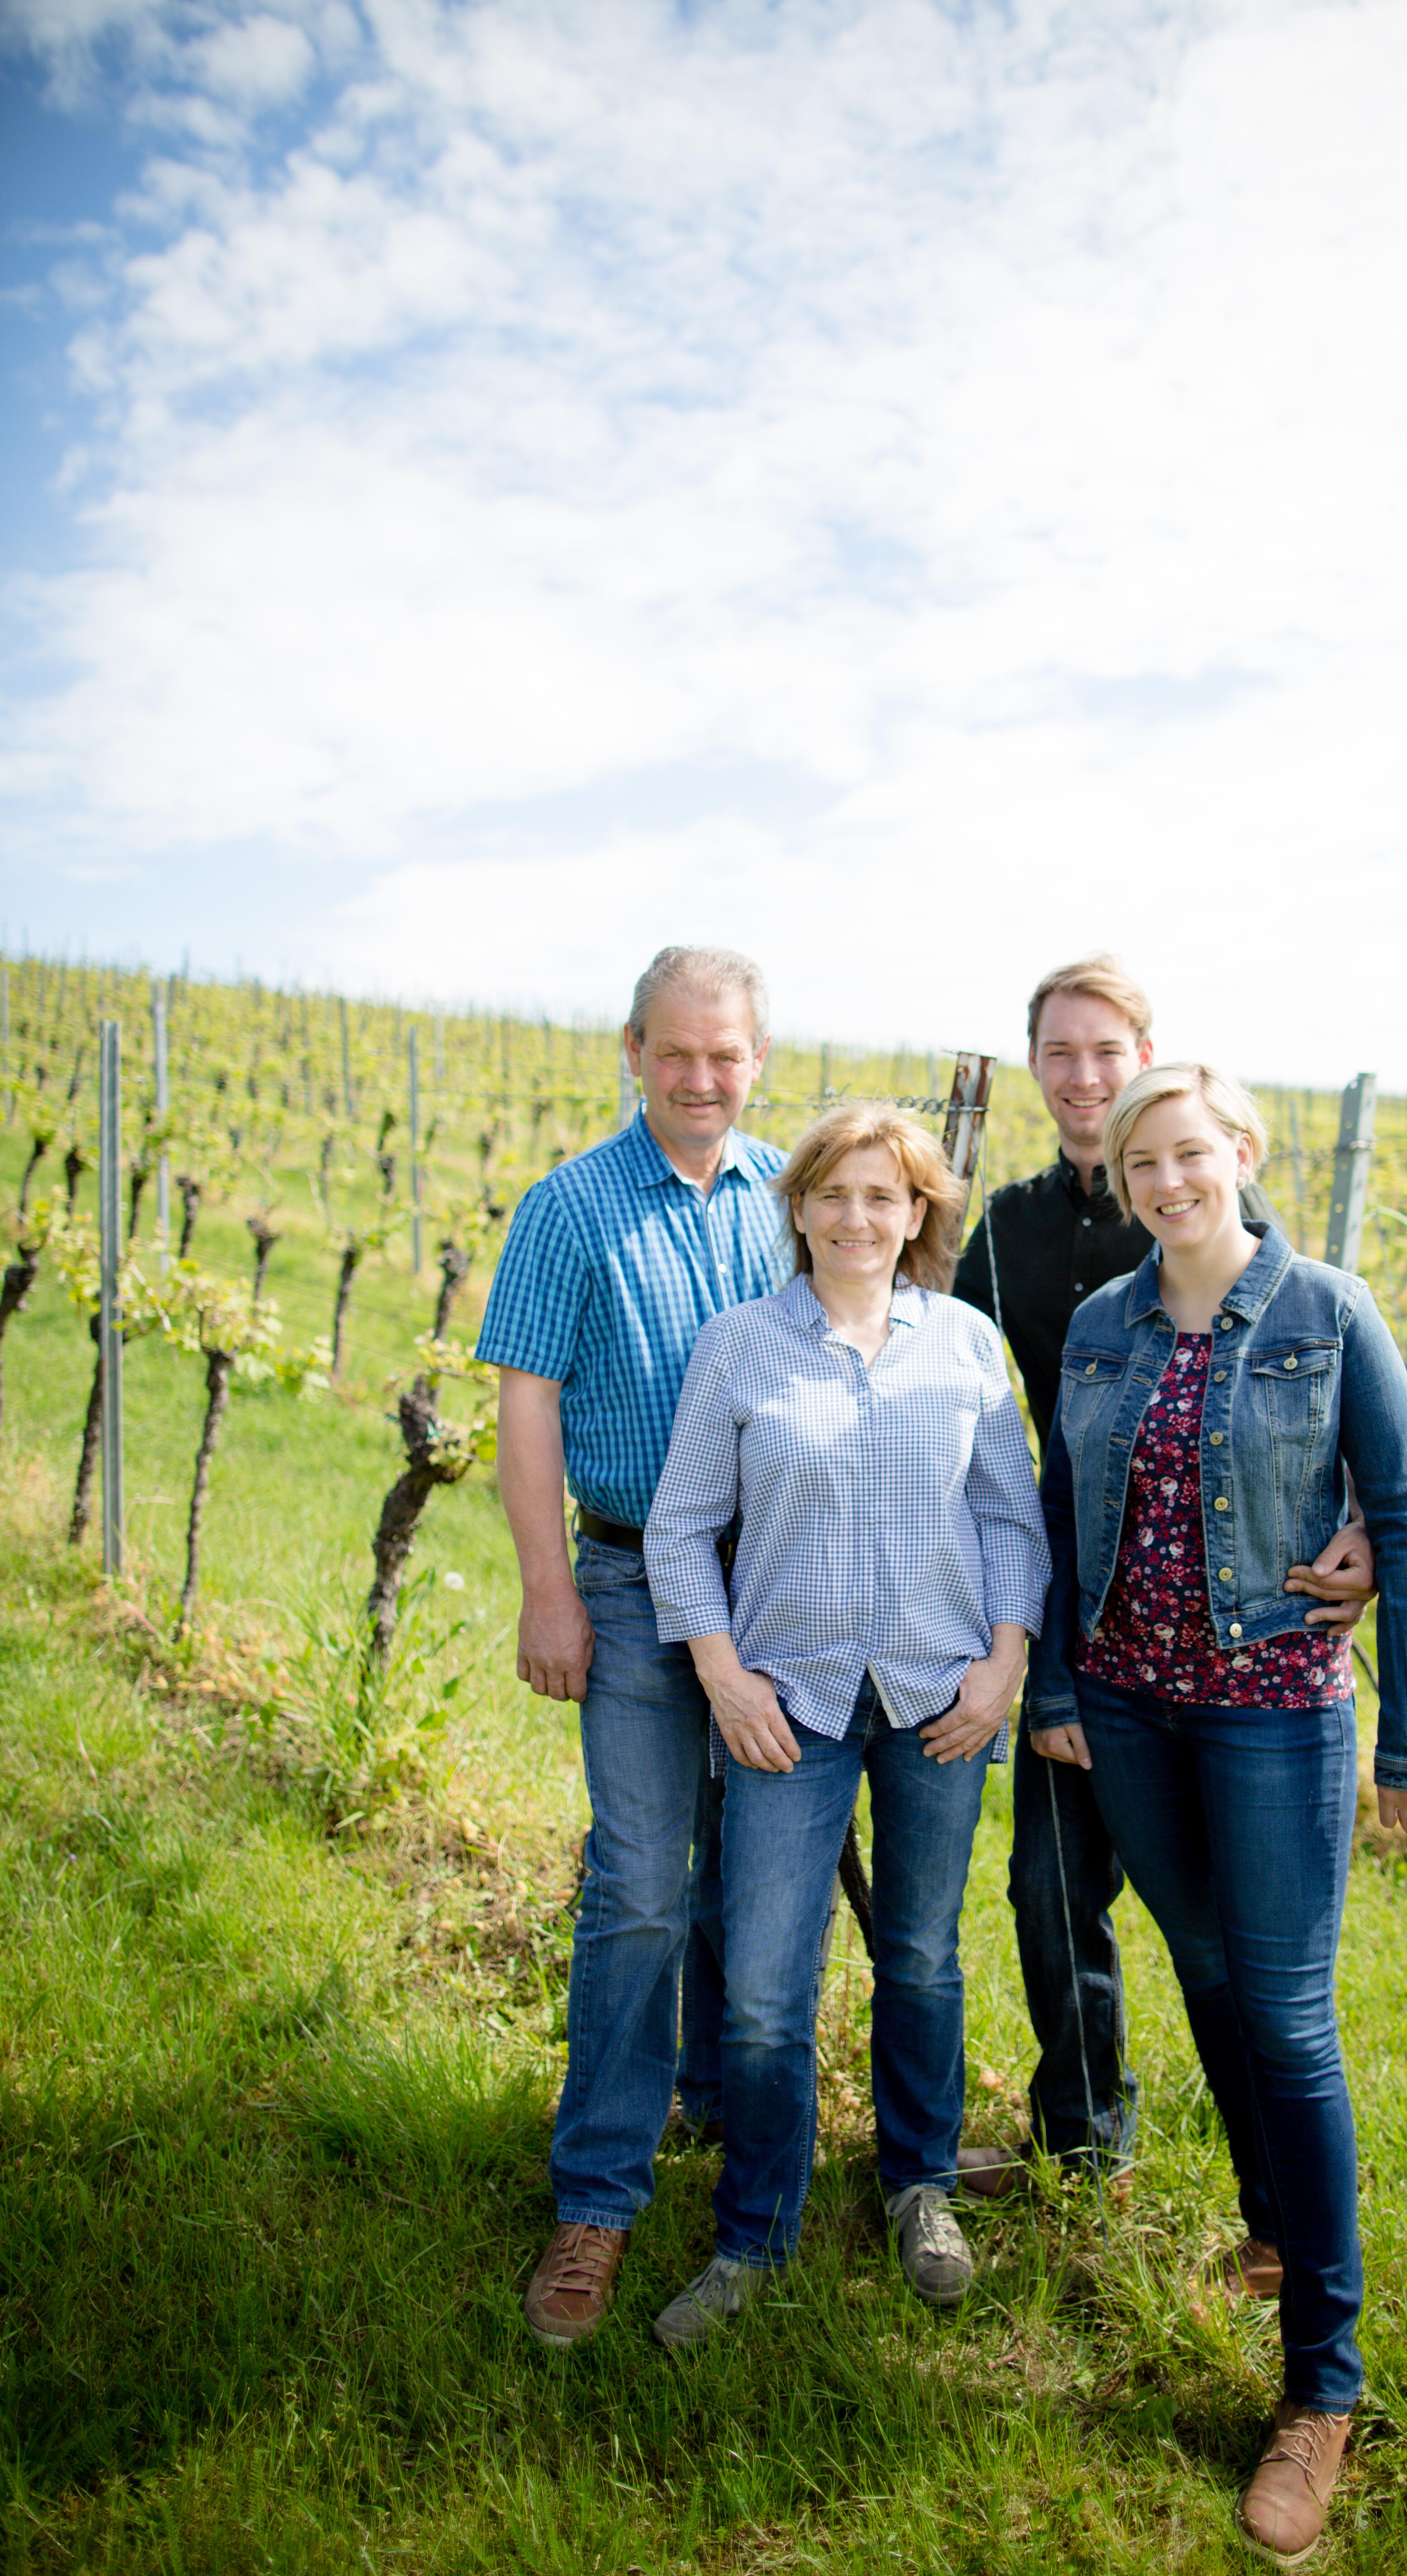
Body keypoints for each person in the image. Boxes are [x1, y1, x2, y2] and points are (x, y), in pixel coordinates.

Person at [1026, 1062, 1407, 2565]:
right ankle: (1272, 2222)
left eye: (1191, 1152)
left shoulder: (1330, 1312)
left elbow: (1402, 1514)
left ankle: (1322, 2388)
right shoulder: (1097, 1325)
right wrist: (1064, 1689)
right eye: (1145, 1162)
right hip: (1129, 1708)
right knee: (1201, 1970)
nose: (1167, 1181)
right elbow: (1070, 1514)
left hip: (1274, 1709)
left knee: (1287, 2015)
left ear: (1243, 1153)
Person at [952, 959, 1374, 2194]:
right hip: (1082, 1610)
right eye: (1060, 1055)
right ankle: (1086, 2139)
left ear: (1147, 1058)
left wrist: (1355, 1518)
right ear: (1036, 1070)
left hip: (1232, 1634)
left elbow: (1315, 1383)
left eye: (1107, 1051)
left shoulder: (1197, 1192)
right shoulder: (1011, 1232)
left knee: (1239, 1947)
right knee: (1049, 1887)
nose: (1084, 1078)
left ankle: (1275, 2190)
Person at [640, 1103, 1050, 2348]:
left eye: (887, 1197)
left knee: (918, 1955)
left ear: (920, 1213)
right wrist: (723, 1678)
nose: (859, 1218)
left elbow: (1011, 1523)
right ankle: (755, 2229)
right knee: (765, 1989)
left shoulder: (966, 1346)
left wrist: (1003, 1668)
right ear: (800, 1208)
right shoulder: (739, 1350)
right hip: (787, 1704)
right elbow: (678, 1530)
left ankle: (918, 2186)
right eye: (835, 1194)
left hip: (939, 1695)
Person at [477, 945, 792, 2348]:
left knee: (750, 1878)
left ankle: (727, 2117)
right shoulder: (568, 1207)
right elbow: (527, 1403)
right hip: (622, 1585)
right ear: (632, 1050)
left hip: (777, 1593)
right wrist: (548, 1590)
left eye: (726, 1055)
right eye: (678, 1052)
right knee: (641, 1887)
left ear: (757, 1060)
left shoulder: (797, 1194)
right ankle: (596, 2196)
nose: (702, 1078)